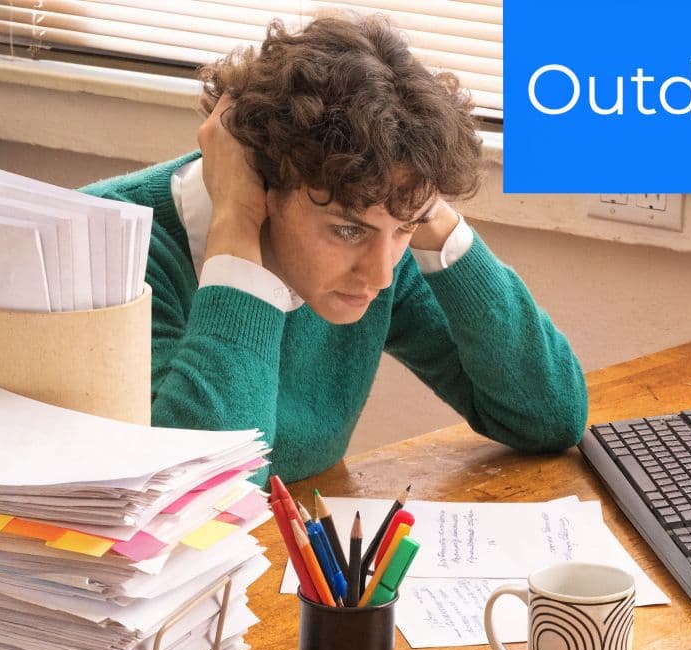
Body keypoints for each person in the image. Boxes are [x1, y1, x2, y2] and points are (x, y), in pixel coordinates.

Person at [84, 15, 588, 483]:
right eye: (349, 231)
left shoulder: (384, 250)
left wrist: (425, 211)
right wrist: (235, 224)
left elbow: (548, 417)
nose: (382, 274)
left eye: (405, 229)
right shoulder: (103, 250)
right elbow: (208, 490)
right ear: (262, 180)